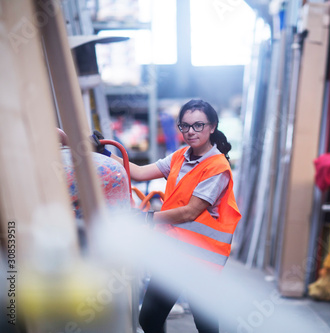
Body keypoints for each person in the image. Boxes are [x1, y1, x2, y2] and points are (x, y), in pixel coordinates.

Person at [93, 99, 241, 333]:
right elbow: (140, 173)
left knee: (206, 326)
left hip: (201, 262)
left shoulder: (217, 168)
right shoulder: (180, 156)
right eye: (185, 126)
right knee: (150, 319)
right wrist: (103, 152)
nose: (191, 132)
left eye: (198, 125)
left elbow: (190, 211)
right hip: (175, 255)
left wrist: (146, 219)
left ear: (212, 126)